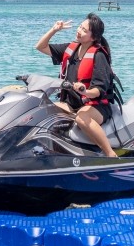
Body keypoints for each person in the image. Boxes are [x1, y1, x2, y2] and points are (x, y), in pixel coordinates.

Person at [35, 13, 118, 158]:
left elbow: (98, 91)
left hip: (96, 105)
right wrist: (54, 30)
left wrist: (85, 91)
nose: (79, 31)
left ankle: (110, 154)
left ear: (94, 37)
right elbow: (40, 47)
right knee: (41, 108)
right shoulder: (71, 49)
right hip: (72, 103)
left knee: (81, 118)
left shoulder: (99, 56)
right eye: (80, 27)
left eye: (84, 30)